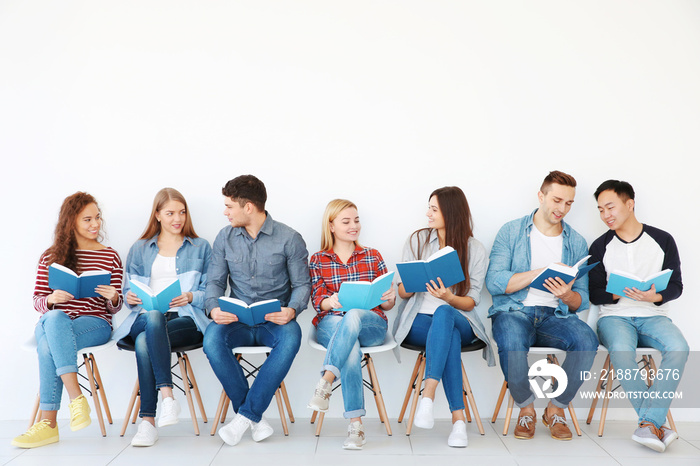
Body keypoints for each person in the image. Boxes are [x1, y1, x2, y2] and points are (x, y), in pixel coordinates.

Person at [485, 170, 598, 441]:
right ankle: (526, 409)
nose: (562, 209)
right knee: (511, 341)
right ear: (541, 196)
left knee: (587, 340)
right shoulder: (511, 231)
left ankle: (555, 408)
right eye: (557, 200)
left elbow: (582, 300)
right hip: (515, 311)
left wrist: (567, 295)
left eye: (569, 203)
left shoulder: (576, 242)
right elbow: (495, 282)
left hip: (555, 316)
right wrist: (539, 272)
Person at [203, 175, 311, 447]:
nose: (225, 212)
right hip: (236, 319)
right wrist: (213, 308)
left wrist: (292, 310)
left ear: (248, 207)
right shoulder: (225, 237)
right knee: (212, 341)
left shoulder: (290, 238)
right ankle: (254, 418)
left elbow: (302, 285)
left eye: (230, 206)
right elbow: (214, 282)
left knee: (291, 339)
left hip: (274, 321)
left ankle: (243, 417)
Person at [13, 192, 123, 449]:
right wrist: (52, 299)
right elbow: (38, 301)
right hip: (53, 322)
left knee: (48, 344)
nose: (95, 224)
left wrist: (114, 296)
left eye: (97, 217)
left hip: (94, 322)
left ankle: (48, 425)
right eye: (87, 219)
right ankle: (76, 399)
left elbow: (114, 309)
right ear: (70, 222)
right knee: (54, 318)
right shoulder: (50, 256)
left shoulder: (110, 257)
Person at [392, 186, 495, 448]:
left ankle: (428, 395)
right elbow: (402, 292)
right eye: (429, 207)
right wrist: (417, 281)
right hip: (418, 322)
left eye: (434, 209)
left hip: (460, 318)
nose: (428, 214)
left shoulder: (475, 249)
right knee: (446, 335)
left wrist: (448, 297)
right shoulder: (417, 241)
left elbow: (471, 302)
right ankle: (458, 421)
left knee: (445, 313)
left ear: (450, 212)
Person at [589, 179, 687, 452]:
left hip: (653, 316)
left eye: (610, 207)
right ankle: (655, 425)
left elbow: (677, 286)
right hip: (614, 318)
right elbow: (594, 293)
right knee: (620, 349)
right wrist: (618, 294)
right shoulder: (600, 246)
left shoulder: (663, 239)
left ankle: (648, 424)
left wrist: (654, 296)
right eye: (600, 209)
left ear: (630, 204)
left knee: (679, 347)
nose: (605, 215)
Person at [113, 188, 212, 447]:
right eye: (169, 213)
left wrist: (191, 296)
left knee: (146, 340)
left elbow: (212, 291)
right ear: (157, 215)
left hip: (184, 318)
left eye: (181, 212)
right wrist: (131, 297)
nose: (177, 218)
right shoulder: (140, 248)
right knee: (153, 316)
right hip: (145, 316)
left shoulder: (201, 247)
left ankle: (147, 422)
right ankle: (167, 396)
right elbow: (127, 291)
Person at [306, 199, 396, 450]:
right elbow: (318, 301)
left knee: (354, 314)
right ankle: (356, 427)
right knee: (351, 348)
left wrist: (390, 299)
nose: (354, 226)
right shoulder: (318, 259)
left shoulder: (373, 255)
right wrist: (330, 301)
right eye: (346, 221)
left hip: (372, 325)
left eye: (356, 220)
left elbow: (386, 303)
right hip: (331, 323)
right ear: (331, 226)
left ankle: (326, 380)